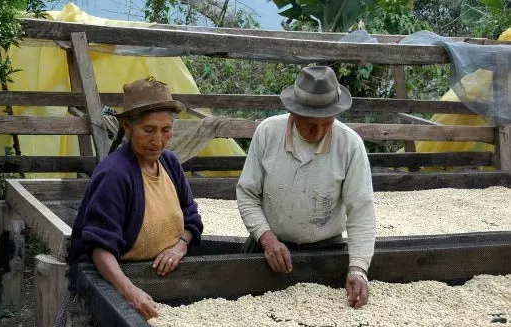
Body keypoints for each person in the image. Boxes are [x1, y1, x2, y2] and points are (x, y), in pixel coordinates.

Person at [62, 77, 203, 324]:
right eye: (148, 130)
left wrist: (179, 247)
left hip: (168, 277)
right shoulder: (115, 174)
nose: (158, 140)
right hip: (118, 278)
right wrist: (129, 292)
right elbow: (100, 247)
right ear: (127, 127)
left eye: (166, 130)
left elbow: (191, 217)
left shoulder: (169, 163)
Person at [237, 66, 375, 308]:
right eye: (310, 125)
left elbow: (361, 211)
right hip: (269, 248)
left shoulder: (350, 145)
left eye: (327, 123)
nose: (320, 131)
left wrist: (358, 268)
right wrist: (267, 239)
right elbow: (247, 193)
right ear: (293, 114)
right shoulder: (268, 133)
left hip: (326, 250)